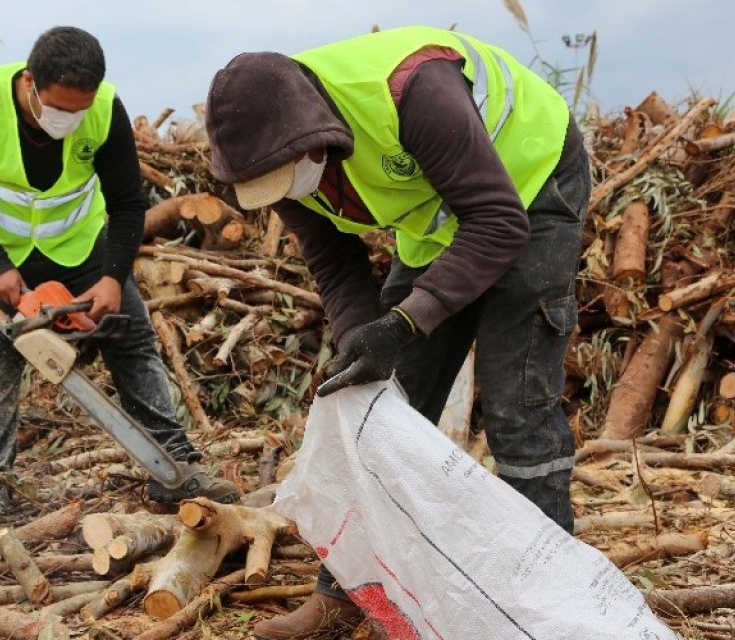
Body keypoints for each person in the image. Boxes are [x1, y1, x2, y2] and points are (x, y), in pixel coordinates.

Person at [205, 25, 590, 639]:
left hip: (528, 186)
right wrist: (369, 337)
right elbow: (334, 261)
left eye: (285, 179)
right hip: (441, 223)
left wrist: (408, 318)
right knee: (376, 410)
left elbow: (495, 220)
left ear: (312, 137)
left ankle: (547, 606)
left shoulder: (414, 90)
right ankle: (344, 594)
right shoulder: (270, 148)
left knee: (518, 407)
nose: (283, 194)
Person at [0, 26, 239, 521]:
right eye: (59, 108)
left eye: (79, 110)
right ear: (30, 81)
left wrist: (114, 276)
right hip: (1, 254)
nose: (69, 120)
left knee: (133, 342)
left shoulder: (104, 110)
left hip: (81, 247)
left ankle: (176, 465)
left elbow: (127, 202)